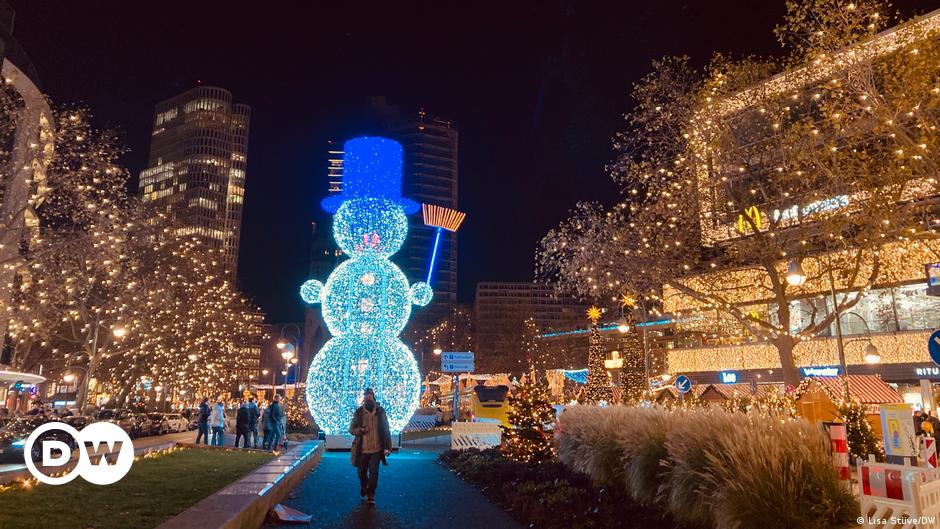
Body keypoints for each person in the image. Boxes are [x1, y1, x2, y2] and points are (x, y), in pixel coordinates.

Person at [349, 388, 392, 504]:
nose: (368, 397)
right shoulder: (358, 413)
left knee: (374, 473)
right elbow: (351, 429)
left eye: (370, 395)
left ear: (373, 397)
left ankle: (371, 493)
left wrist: (388, 446)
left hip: (376, 449)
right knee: (361, 472)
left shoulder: (380, 412)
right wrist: (360, 430)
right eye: (366, 395)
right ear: (364, 397)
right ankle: (364, 485)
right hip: (362, 449)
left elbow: (386, 429)